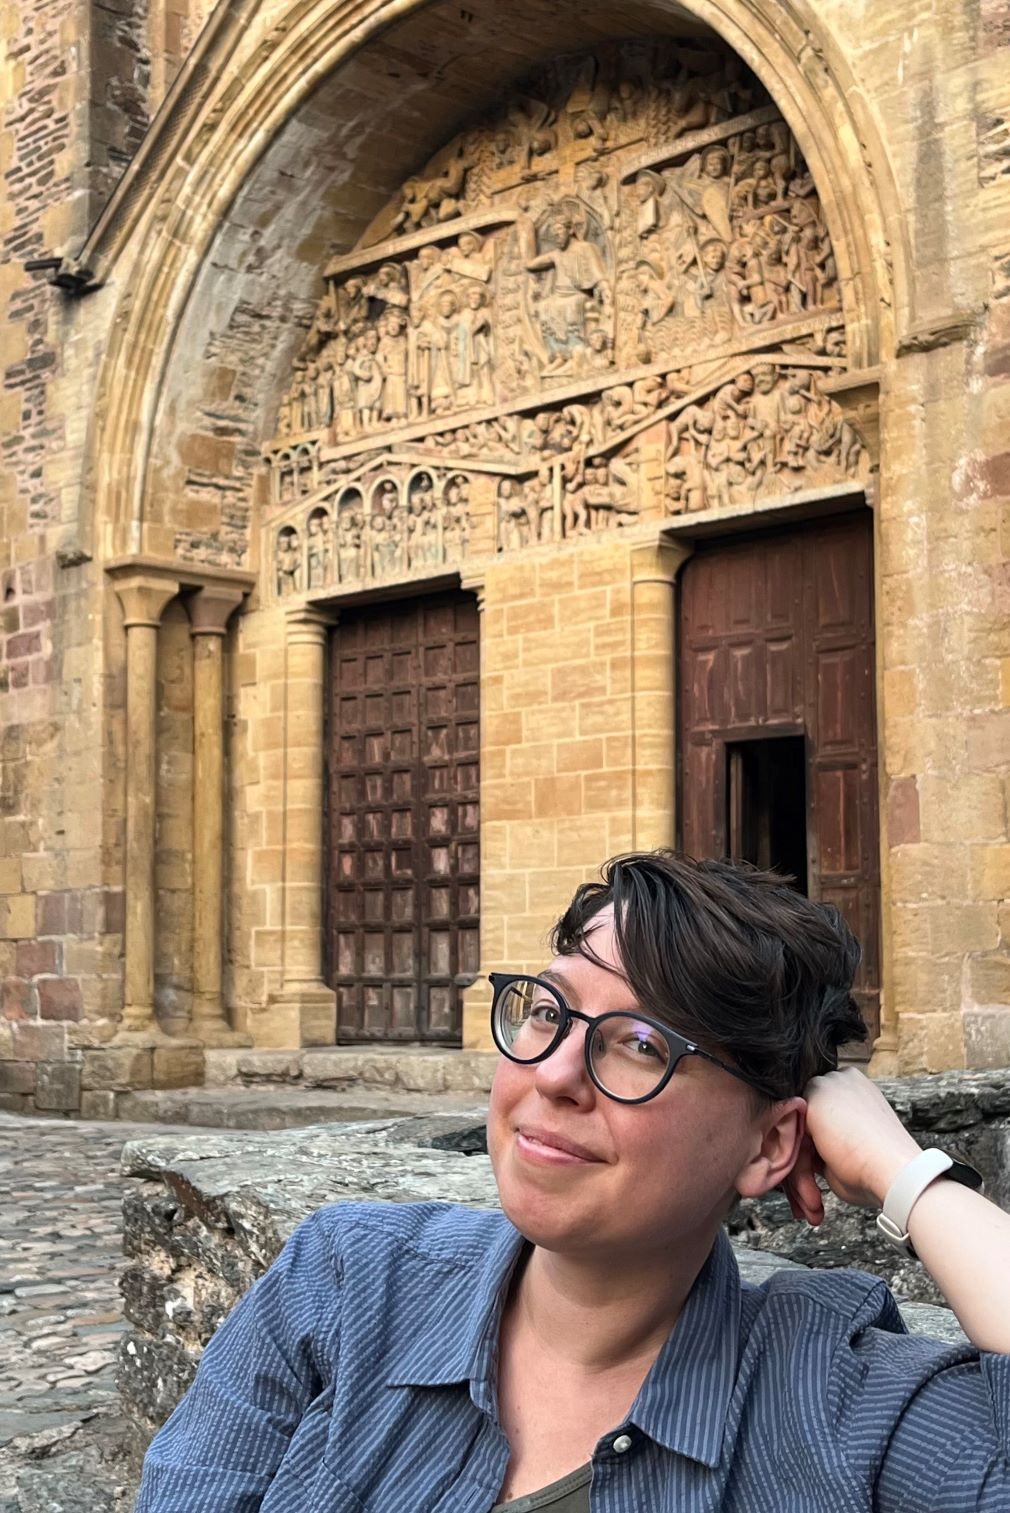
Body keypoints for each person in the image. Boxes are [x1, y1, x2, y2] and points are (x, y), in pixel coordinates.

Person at [134, 852, 1010, 1511]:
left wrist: (910, 1175)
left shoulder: (837, 1406)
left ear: (769, 1145)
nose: (553, 1072)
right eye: (550, 1011)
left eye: (641, 1044)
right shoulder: (347, 1284)